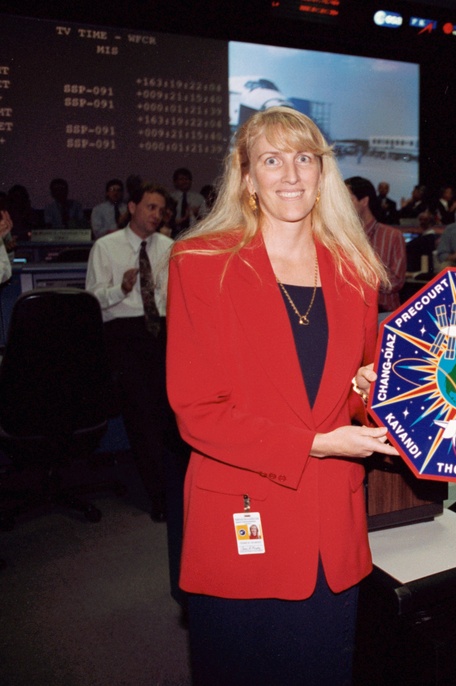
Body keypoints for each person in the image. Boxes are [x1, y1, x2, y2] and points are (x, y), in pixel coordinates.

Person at [166, 106, 396, 685]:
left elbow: (353, 401)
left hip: (331, 528)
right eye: (272, 160)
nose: (290, 175)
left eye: (304, 159)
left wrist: (370, 392)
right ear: (247, 178)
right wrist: (316, 443)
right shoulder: (200, 264)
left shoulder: (355, 270)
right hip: (243, 517)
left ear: (323, 175)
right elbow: (198, 413)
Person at [85, 183, 176, 521]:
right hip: (125, 334)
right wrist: (120, 289)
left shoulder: (169, 246)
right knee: (143, 417)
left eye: (161, 210)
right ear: (134, 207)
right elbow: (92, 298)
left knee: (171, 413)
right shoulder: (105, 247)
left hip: (163, 332)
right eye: (151, 207)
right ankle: (158, 498)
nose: (157, 215)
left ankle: (177, 491)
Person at [345, 176, 406, 312]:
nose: (343, 206)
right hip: (349, 311)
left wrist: (358, 276)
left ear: (364, 201)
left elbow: (396, 282)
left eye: (348, 200)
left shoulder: (392, 236)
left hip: (383, 313)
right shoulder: (343, 236)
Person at [171, 167, 207, 235]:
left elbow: (205, 219)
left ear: (191, 181)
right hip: (174, 233)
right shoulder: (171, 198)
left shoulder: (199, 198)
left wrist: (197, 214)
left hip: (193, 233)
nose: (184, 181)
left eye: (187, 179)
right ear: (175, 182)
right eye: (181, 179)